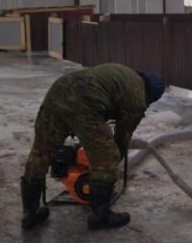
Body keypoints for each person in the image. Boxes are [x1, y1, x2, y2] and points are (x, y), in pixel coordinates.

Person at [20, 63, 165, 231]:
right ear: (152, 94)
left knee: (41, 152)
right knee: (107, 154)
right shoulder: (138, 96)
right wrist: (111, 161)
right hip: (85, 100)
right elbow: (122, 135)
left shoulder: (125, 73)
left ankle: (30, 212)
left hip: (58, 91)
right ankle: (100, 215)